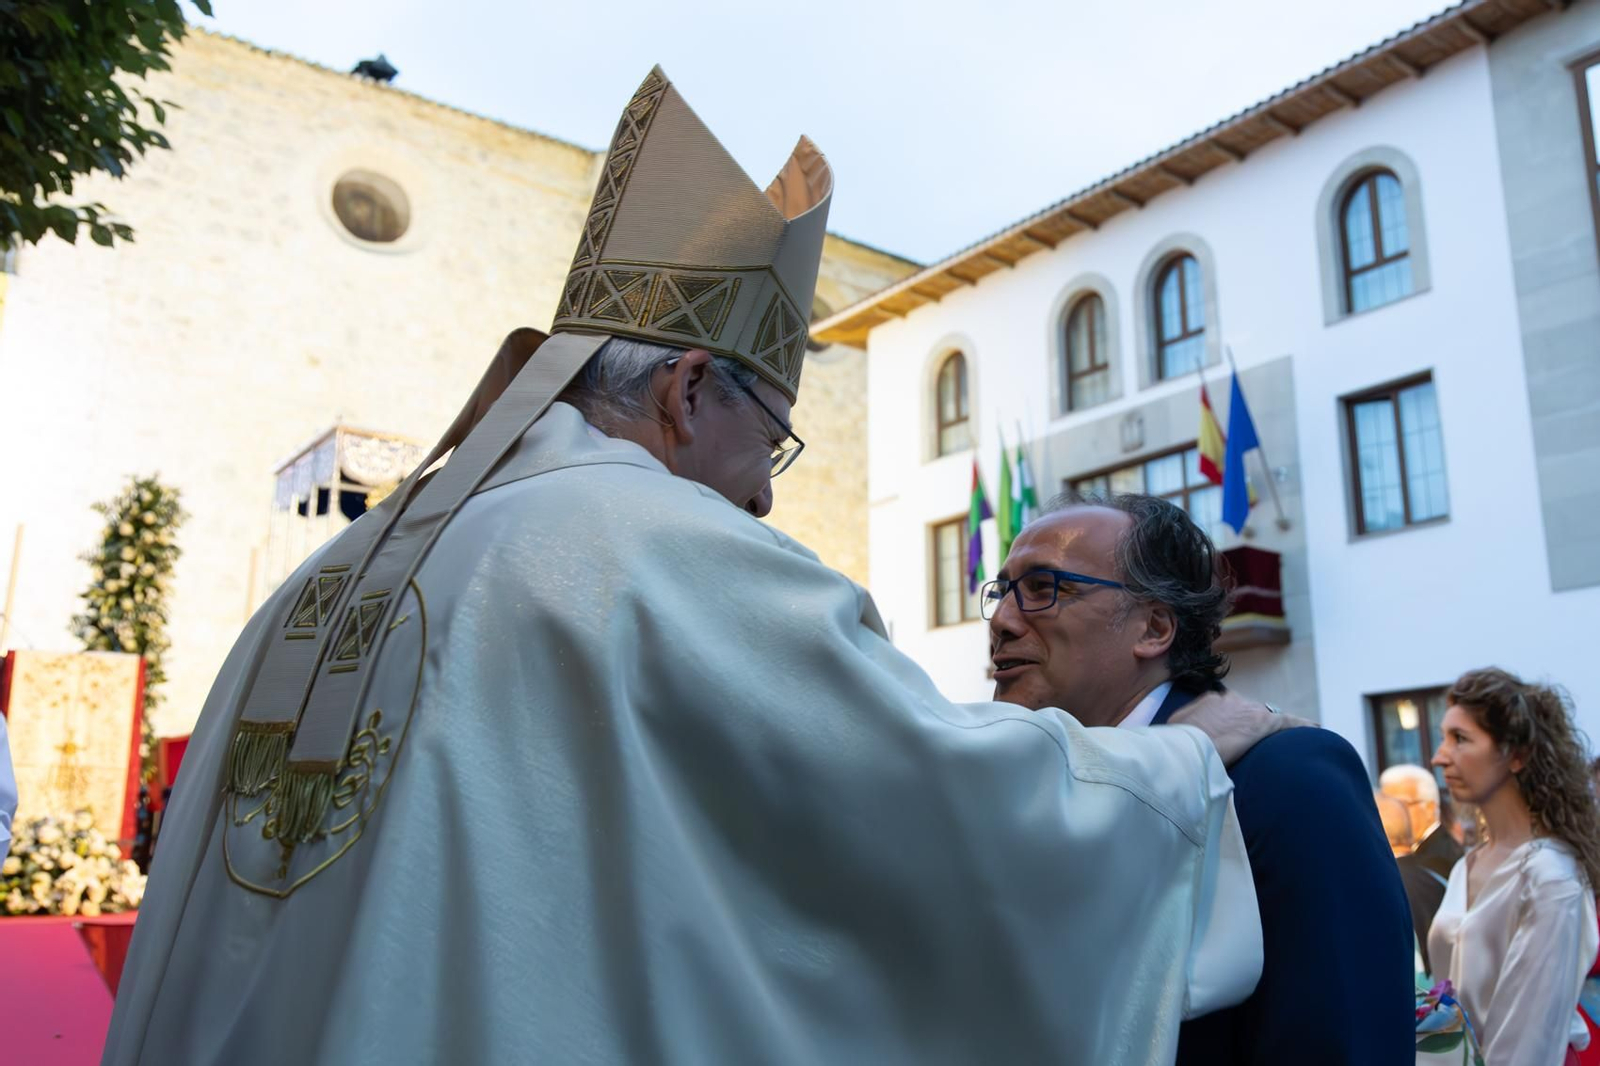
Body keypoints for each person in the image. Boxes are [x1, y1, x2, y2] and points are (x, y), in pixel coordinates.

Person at [102, 68, 1289, 1065]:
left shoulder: (330, 573)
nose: (766, 491)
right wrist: (1176, 765)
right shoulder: (656, 548)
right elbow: (929, 796)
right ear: (684, 390)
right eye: (770, 437)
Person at [985, 492, 1415, 1065]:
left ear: (1153, 628)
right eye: (1002, 592)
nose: (1002, 620)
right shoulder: (1027, 796)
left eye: (1044, 588)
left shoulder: (1286, 782)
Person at [1428, 667, 1600, 1066]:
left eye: (1460, 739)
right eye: (1443, 738)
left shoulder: (1550, 876)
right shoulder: (1466, 866)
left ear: (1517, 755)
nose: (1439, 757)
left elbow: (1531, 1045)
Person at [1380, 763, 1462, 976]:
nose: (1391, 811)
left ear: (1428, 808)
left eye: (1398, 803)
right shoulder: (1424, 855)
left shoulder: (1440, 858)